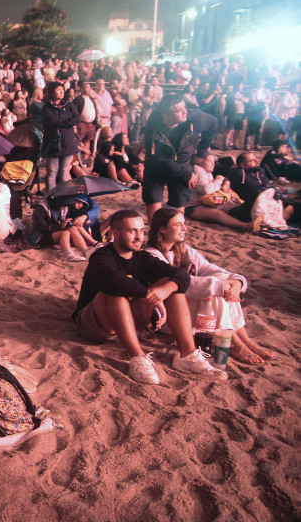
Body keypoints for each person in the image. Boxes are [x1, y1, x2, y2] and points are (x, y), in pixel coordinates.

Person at [73, 209, 227, 385]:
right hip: (94, 323)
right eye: (132, 231)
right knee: (116, 292)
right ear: (115, 234)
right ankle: (138, 357)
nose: (139, 237)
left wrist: (164, 290)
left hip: (128, 318)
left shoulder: (142, 257)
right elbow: (114, 280)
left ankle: (188, 354)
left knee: (172, 284)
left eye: (141, 231)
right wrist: (149, 295)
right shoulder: (101, 256)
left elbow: (181, 276)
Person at [146, 208, 273, 365]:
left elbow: (214, 270)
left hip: (193, 315)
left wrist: (237, 283)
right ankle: (233, 342)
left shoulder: (184, 250)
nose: (184, 229)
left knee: (219, 280)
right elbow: (186, 284)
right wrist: (223, 287)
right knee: (213, 290)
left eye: (184, 224)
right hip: (170, 319)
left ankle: (245, 340)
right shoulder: (152, 255)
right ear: (162, 229)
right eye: (178, 225)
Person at [143, 94, 194, 221]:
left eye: (185, 107)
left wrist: (201, 156)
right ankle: (155, 236)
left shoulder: (192, 120)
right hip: (157, 167)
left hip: (182, 165)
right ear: (166, 114)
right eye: (179, 110)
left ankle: (175, 237)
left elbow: (210, 127)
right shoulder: (153, 128)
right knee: (153, 199)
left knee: (179, 202)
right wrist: (186, 174)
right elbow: (158, 158)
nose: (185, 111)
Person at [185, 152, 258, 232]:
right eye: (210, 161)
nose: (213, 164)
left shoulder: (207, 173)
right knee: (217, 214)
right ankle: (245, 226)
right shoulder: (198, 170)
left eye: (213, 162)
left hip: (204, 202)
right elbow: (206, 189)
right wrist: (218, 181)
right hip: (192, 206)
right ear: (201, 161)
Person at [41, 81, 81, 192]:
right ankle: (50, 196)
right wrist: (68, 114)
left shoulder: (68, 104)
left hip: (67, 142)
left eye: (62, 90)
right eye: (58, 90)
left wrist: (61, 123)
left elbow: (77, 118)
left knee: (64, 171)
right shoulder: (46, 107)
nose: (61, 92)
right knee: (52, 172)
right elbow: (54, 120)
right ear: (51, 93)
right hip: (52, 144)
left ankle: (63, 194)